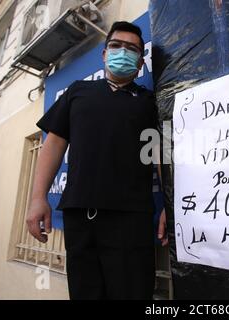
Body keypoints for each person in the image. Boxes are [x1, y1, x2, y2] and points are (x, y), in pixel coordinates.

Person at [26, 21, 167, 300]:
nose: (122, 52)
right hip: (80, 218)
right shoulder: (78, 92)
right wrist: (37, 197)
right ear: (104, 54)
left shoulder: (151, 102)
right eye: (116, 46)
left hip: (132, 221)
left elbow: (162, 155)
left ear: (140, 63)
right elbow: (53, 144)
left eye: (132, 49)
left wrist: (170, 205)